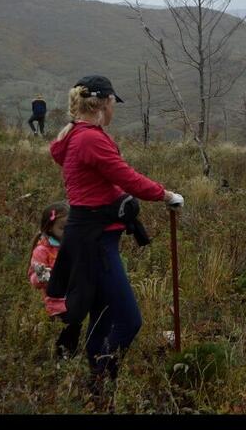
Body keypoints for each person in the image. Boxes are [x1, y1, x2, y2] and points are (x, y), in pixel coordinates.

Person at [45, 75, 184, 406]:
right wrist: (166, 195)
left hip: (87, 236)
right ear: (103, 103)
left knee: (103, 313)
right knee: (128, 320)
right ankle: (101, 381)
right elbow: (126, 176)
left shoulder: (75, 134)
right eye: (112, 103)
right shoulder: (90, 138)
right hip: (96, 240)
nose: (114, 109)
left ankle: (98, 391)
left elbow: (62, 155)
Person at [28, 201, 82, 359]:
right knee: (62, 332)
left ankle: (69, 357)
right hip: (55, 303)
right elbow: (33, 277)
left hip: (74, 299)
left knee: (74, 327)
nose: (67, 231)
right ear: (50, 228)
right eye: (63, 228)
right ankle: (60, 359)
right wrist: (42, 276)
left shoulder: (73, 244)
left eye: (70, 227)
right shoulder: (42, 250)